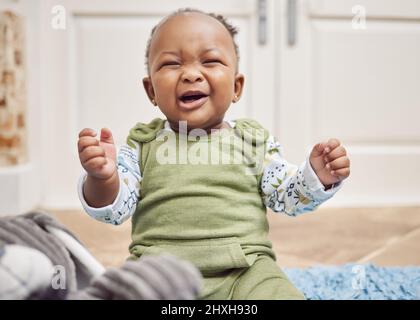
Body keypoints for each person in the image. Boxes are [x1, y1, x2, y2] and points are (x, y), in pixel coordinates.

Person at [77, 8, 350, 299]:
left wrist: (316, 177)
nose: (191, 74)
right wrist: (103, 178)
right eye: (171, 64)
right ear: (151, 90)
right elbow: (116, 210)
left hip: (245, 269)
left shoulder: (253, 141)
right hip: (158, 270)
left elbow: (287, 197)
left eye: (210, 61)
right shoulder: (142, 144)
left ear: (236, 86)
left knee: (276, 292)